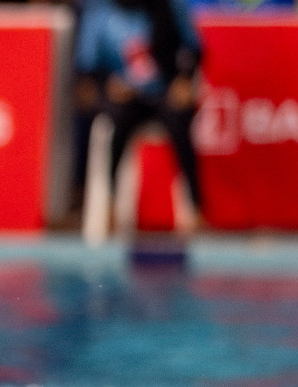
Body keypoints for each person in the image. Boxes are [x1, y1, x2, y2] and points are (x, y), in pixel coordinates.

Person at [74, 0, 204, 224]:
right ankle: (110, 202)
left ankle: (194, 206)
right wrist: (108, 86)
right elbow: (87, 69)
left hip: (164, 92)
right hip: (125, 97)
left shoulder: (168, 7)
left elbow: (193, 48)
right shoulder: (100, 13)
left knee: (180, 124)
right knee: (116, 124)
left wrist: (184, 80)